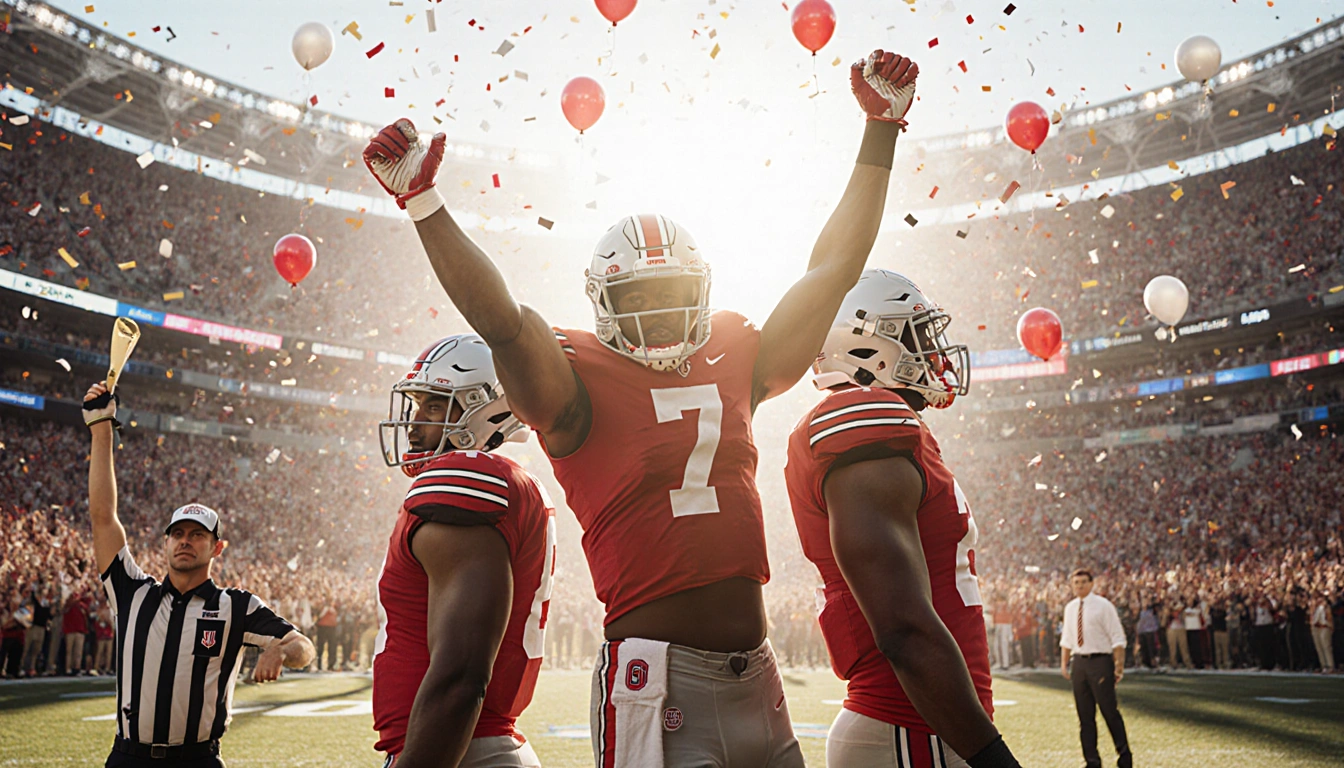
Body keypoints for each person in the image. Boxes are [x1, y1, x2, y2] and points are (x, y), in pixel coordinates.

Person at [364, 48, 922, 768]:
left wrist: (880, 129)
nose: (660, 315)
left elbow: (831, 269)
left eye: (673, 295)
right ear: (603, 304)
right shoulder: (574, 384)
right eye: (640, 299)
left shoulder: (736, 352)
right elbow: (501, 318)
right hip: (654, 677)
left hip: (758, 670)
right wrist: (425, 204)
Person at [783, 270, 1018, 768]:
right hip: (911, 728)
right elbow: (902, 629)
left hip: (923, 726)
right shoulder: (863, 416)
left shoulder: (893, 424)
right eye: (918, 336)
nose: (934, 352)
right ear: (869, 348)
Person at [82, 380, 316, 767]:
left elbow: (304, 648)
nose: (184, 542)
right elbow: (103, 517)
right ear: (166, 543)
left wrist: (280, 648)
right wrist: (101, 427)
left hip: (198, 760)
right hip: (128, 758)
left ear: (216, 547)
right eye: (177, 534)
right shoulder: (132, 592)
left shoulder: (236, 606)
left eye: (197, 535)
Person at [371, 335, 555, 768]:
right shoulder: (503, 478)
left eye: (434, 407)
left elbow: (462, 677)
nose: (414, 424)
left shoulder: (466, 474)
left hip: (458, 749)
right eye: (417, 407)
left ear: (486, 409)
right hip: (473, 746)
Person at [1060, 569, 1131, 768]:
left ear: (1092, 584)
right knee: (1085, 716)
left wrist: (1118, 665)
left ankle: (1124, 757)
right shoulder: (1070, 608)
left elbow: (1118, 637)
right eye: (1076, 583)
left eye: (1083, 582)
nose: (1080, 586)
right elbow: (1067, 638)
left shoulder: (1103, 606)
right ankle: (1092, 761)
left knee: (1109, 711)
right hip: (1079, 663)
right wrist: (1064, 663)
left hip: (1100, 661)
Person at [1309, 592, 1334, 673]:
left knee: (1326, 647)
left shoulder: (1325, 607)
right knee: (1319, 647)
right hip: (1316, 627)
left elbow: (1328, 618)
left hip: (1324, 627)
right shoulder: (1315, 607)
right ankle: (1323, 665)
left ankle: (1330, 665)